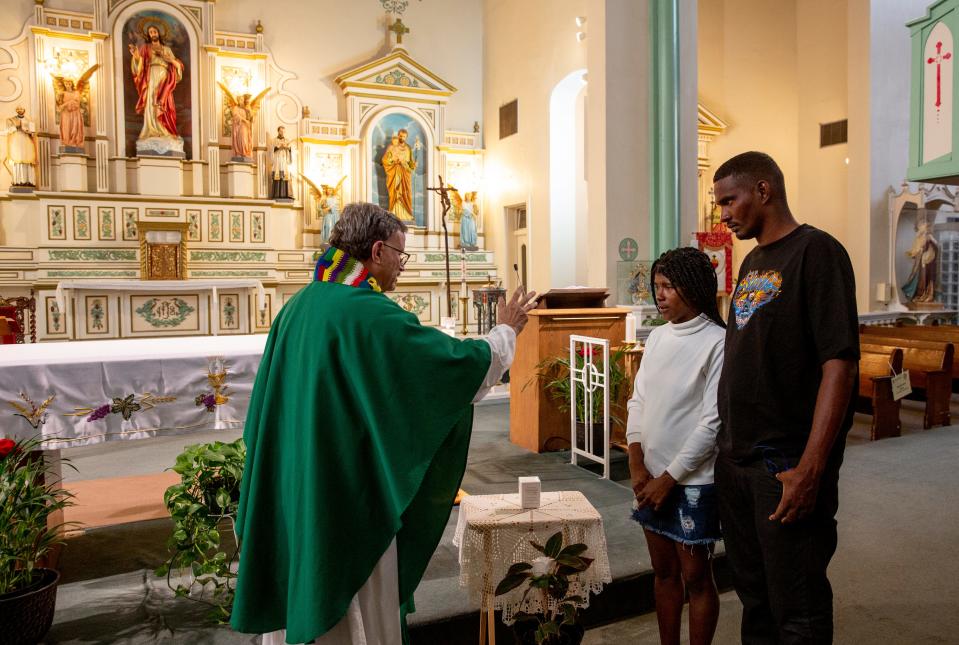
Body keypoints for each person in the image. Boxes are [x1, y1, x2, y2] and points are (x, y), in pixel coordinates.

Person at [230, 202, 538, 644]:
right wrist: (505, 331)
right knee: (350, 609)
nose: (401, 266)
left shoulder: (298, 307)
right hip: (345, 498)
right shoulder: (366, 312)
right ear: (376, 251)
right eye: (400, 254)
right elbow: (446, 370)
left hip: (296, 487)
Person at [713, 151, 858, 644]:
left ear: (763, 190)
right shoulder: (753, 260)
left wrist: (812, 466)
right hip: (737, 459)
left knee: (798, 609)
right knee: (755, 602)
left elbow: (838, 363)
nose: (723, 214)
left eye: (729, 201)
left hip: (784, 460)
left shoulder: (817, 252)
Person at [627, 247, 725, 645]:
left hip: (692, 480)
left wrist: (669, 478)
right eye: (657, 286)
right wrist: (636, 464)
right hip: (648, 477)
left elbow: (712, 421)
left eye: (669, 286)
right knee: (664, 573)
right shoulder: (658, 337)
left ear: (695, 288)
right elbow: (639, 401)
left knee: (696, 577)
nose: (660, 295)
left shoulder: (717, 341)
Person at [128, 24, 183, 148]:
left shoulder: (167, 49)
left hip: (164, 77)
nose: (153, 34)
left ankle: (165, 130)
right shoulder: (145, 48)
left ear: (159, 33)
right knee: (151, 102)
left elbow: (177, 66)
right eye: (151, 32)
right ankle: (151, 130)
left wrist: (169, 60)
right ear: (149, 35)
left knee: (164, 102)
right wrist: (136, 57)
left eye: (155, 31)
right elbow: (138, 67)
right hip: (150, 77)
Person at [381, 128, 416, 221]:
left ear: (406, 137)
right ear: (398, 135)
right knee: (395, 192)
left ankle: (407, 214)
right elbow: (385, 160)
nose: (402, 138)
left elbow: (411, 163)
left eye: (404, 136)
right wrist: (394, 161)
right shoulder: (392, 147)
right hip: (395, 172)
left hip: (405, 173)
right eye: (400, 136)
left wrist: (412, 165)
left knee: (405, 192)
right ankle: (394, 212)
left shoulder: (408, 148)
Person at [3, 107, 38, 188]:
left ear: (24, 111)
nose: (20, 110)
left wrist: (27, 131)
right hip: (16, 142)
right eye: (18, 109)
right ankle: (17, 181)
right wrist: (16, 127)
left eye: (21, 109)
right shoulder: (11, 120)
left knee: (28, 161)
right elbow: (8, 130)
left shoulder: (29, 121)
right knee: (17, 161)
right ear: (16, 110)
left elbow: (33, 133)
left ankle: (28, 181)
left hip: (27, 142)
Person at [270, 126, 293, 200]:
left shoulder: (287, 140)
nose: (282, 133)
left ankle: (285, 194)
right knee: (277, 175)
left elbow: (290, 149)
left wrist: (288, 148)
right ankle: (276, 194)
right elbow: (271, 150)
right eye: (281, 131)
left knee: (285, 176)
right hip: (277, 160)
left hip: (284, 160)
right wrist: (279, 147)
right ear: (278, 131)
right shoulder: (274, 140)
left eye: (283, 131)